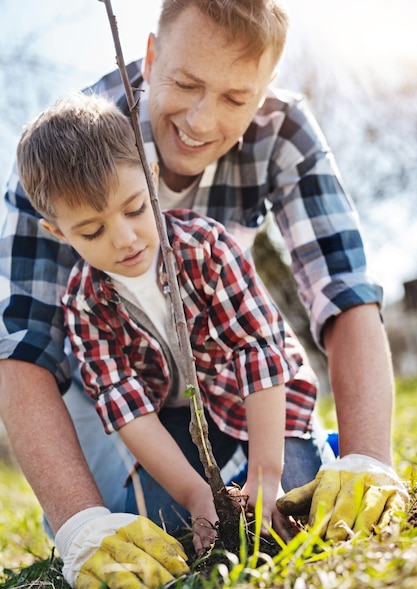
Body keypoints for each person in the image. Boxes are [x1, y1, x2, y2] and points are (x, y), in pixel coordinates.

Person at [0, 0, 407, 589]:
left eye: (235, 99)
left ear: (265, 89)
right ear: (151, 55)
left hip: (228, 366)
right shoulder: (68, 155)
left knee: (297, 485)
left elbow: (341, 291)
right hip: (118, 378)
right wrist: (80, 519)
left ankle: (310, 453)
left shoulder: (283, 135)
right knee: (150, 522)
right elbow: (24, 346)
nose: (200, 120)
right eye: (186, 83)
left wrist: (369, 458)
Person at [16, 90, 318, 558]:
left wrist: (266, 474)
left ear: (152, 180)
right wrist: (197, 495)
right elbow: (128, 410)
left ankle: (298, 454)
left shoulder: (206, 248)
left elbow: (257, 356)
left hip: (256, 399)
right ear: (59, 233)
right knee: (164, 516)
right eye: (92, 231)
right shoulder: (83, 304)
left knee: (296, 493)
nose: (124, 238)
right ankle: (214, 486)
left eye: (136, 208)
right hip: (177, 420)